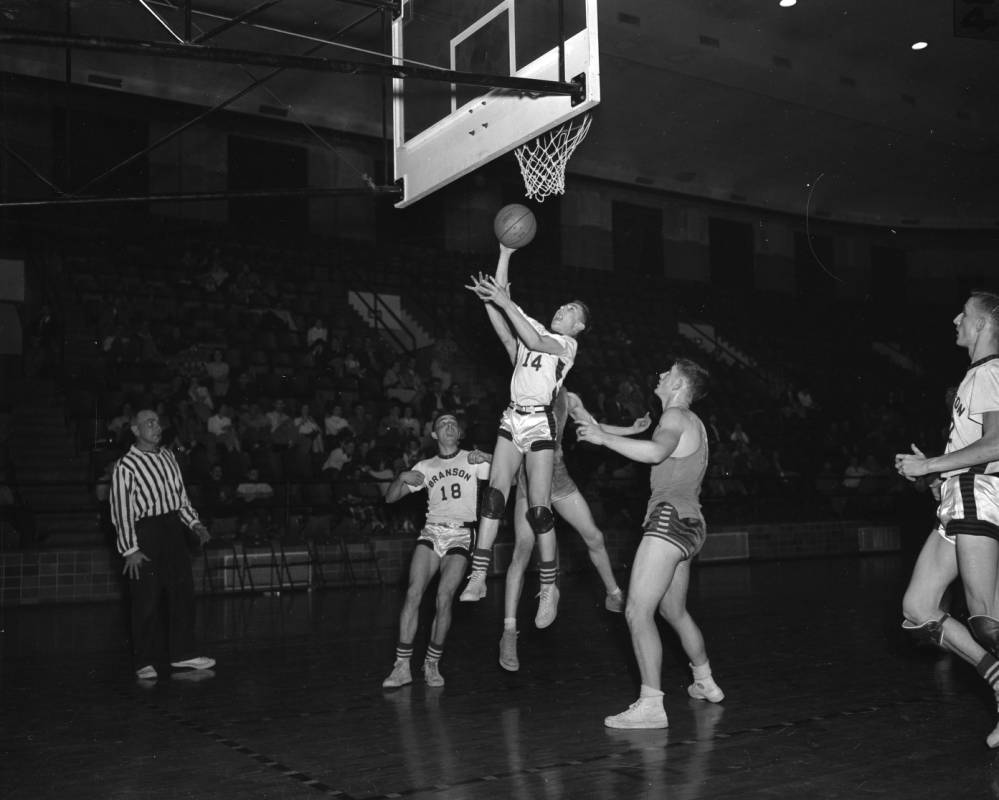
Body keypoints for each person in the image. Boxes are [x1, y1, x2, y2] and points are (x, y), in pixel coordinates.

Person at [576, 359, 724, 729]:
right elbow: (658, 448)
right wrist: (605, 430)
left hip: (669, 520)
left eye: (667, 373)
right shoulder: (693, 422)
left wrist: (603, 439)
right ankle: (705, 680)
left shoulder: (674, 417)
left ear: (679, 384)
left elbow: (657, 453)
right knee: (674, 611)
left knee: (636, 611)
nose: (659, 375)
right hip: (691, 524)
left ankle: (651, 705)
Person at [461, 245, 589, 629]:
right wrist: (504, 255)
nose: (562, 309)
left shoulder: (565, 345)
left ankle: (549, 587)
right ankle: (479, 574)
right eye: (562, 305)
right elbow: (506, 323)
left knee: (538, 510)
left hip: (539, 425)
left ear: (579, 327)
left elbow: (530, 338)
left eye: (571, 310)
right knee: (494, 496)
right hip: (512, 418)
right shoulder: (534, 327)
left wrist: (503, 302)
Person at [895, 291, 999, 748]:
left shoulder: (990, 371)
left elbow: (997, 444)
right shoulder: (976, 375)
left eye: (965, 314)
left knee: (987, 620)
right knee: (919, 608)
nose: (957, 318)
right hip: (959, 496)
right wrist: (938, 475)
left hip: (978, 496)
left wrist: (931, 464)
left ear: (983, 325)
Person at [498, 387, 635, 671]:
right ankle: (509, 633)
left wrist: (632, 430)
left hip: (557, 474)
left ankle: (613, 594)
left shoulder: (568, 398)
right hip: (530, 478)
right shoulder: (526, 390)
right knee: (522, 551)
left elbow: (593, 427)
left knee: (594, 536)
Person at [381, 412, 492, 689]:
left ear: (460, 433)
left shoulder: (472, 459)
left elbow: (511, 479)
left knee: (444, 597)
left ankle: (432, 662)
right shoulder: (425, 466)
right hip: (432, 531)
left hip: (461, 533)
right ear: (434, 435)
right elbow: (391, 498)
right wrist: (401, 477)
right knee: (413, 593)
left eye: (454, 423)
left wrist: (489, 458)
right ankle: (402, 666)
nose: (449, 426)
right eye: (443, 424)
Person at [110, 409, 215, 681]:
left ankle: (184, 654)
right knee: (146, 600)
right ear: (135, 430)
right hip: (145, 533)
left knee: (183, 593)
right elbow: (121, 510)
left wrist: (195, 524)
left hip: (172, 529)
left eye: (158, 422)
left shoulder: (168, 456)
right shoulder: (126, 466)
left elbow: (180, 498)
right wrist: (130, 549)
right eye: (149, 423)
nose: (157, 427)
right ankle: (144, 661)